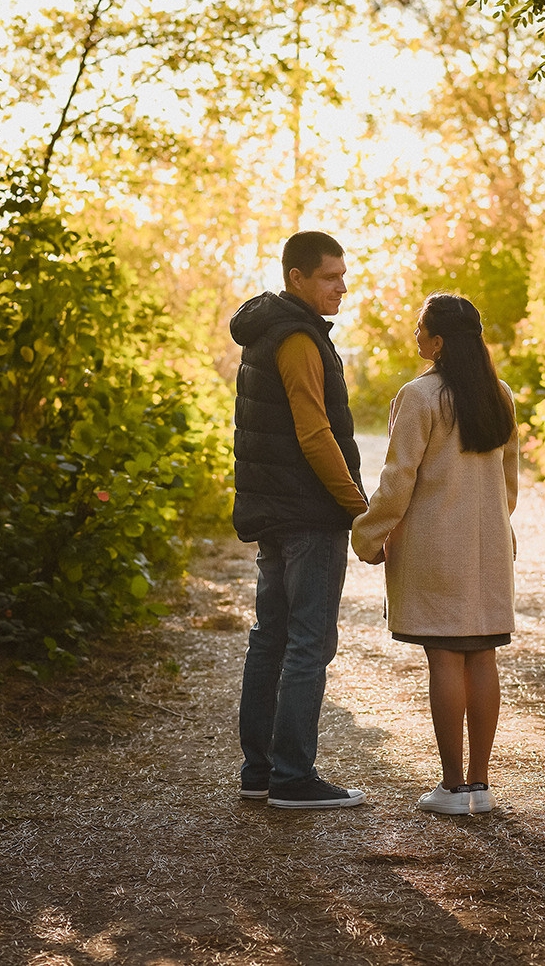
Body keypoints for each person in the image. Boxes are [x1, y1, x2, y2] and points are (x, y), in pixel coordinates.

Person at [351, 293, 518, 816]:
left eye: (421, 328)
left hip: (436, 547)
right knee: (482, 655)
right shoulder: (500, 394)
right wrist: (496, 525)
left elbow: (398, 479)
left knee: (444, 655)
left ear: (439, 341)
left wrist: (368, 535)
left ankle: (451, 787)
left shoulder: (419, 396)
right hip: (489, 545)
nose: (416, 335)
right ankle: (480, 786)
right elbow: (508, 483)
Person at [230, 231, 368, 809]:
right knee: (308, 643)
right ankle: (291, 777)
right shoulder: (298, 339)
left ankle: (260, 773)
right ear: (297, 278)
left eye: (343, 275)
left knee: (271, 639)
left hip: (275, 511)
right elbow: (315, 434)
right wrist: (357, 507)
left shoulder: (269, 332)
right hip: (308, 514)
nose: (342, 287)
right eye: (331, 277)